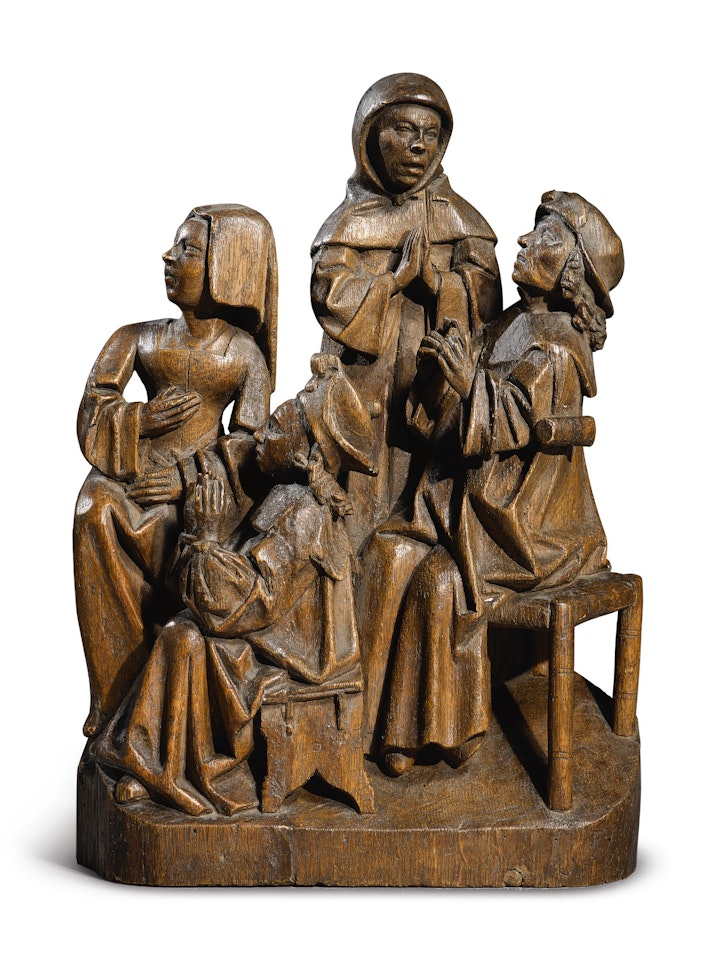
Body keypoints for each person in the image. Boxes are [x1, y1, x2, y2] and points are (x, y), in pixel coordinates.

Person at [361, 191, 624, 775]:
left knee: (440, 583)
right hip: (476, 502)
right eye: (532, 231)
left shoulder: (558, 347)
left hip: (531, 522)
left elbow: (512, 420)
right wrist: (440, 372)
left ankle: (440, 736)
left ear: (572, 271)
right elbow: (454, 406)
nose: (525, 241)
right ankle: (368, 726)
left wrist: (467, 384)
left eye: (547, 237)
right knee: (385, 551)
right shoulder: (510, 322)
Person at [91, 355, 376, 816]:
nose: (259, 434)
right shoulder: (285, 493)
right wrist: (199, 537)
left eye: (275, 428)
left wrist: (204, 541)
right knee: (182, 628)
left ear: (305, 455)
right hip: (268, 628)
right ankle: (153, 763)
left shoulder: (304, 513)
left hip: (295, 652)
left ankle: (183, 770)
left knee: (185, 636)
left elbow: (250, 602)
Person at [74, 204, 277, 737]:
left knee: (182, 531)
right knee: (93, 510)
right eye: (176, 246)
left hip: (201, 489)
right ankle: (114, 691)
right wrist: (140, 420)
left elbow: (252, 444)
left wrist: (189, 476)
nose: (168, 257)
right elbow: (94, 404)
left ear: (224, 268)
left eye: (188, 250)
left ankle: (167, 704)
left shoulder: (242, 355)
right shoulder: (137, 338)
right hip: (133, 474)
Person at [311, 73, 502, 547]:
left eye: (430, 134)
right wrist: (394, 281)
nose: (418, 145)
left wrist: (437, 283)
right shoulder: (350, 220)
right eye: (403, 129)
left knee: (426, 517)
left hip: (433, 386)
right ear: (370, 137)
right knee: (353, 513)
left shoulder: (459, 218)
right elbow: (329, 294)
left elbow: (487, 304)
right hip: (361, 383)